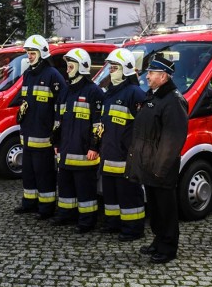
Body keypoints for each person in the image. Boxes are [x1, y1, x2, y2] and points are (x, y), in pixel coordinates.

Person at [125, 55, 188, 264]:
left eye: (151, 73)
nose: (147, 76)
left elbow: (173, 139)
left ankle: (168, 247)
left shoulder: (173, 101)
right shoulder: (153, 96)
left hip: (161, 167)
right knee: (155, 207)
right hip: (149, 165)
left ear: (163, 76)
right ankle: (159, 240)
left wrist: (160, 168)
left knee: (166, 209)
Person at [49, 48, 103, 233]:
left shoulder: (94, 92)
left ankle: (87, 222)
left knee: (85, 191)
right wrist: (55, 144)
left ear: (81, 67)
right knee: (65, 188)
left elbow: (98, 124)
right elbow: (58, 121)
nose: (67, 69)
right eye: (67, 66)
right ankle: (65, 215)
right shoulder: (65, 92)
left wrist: (94, 147)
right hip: (65, 152)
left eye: (71, 66)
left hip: (84, 154)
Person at [14, 35, 66, 220]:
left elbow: (61, 104)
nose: (29, 56)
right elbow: (24, 99)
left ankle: (46, 208)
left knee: (44, 174)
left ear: (42, 53)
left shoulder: (53, 75)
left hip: (44, 137)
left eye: (32, 52)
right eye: (28, 52)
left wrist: (57, 129)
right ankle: (29, 203)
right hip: (27, 134)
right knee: (28, 173)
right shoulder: (28, 74)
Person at [99, 48, 147, 241]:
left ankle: (133, 229)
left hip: (126, 156)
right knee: (110, 194)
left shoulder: (135, 94)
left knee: (129, 194)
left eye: (115, 67)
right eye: (110, 67)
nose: (111, 70)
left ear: (126, 69)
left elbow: (144, 126)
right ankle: (113, 224)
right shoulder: (109, 93)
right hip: (109, 153)